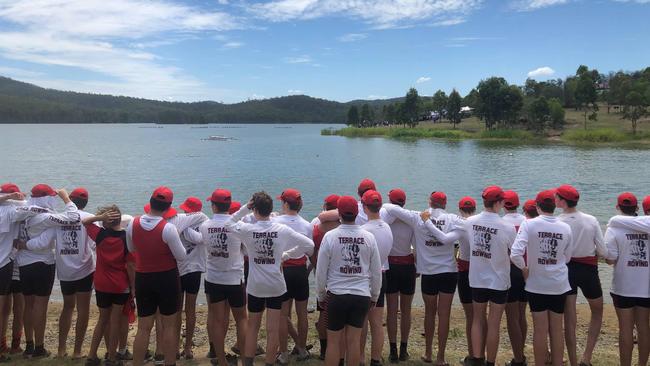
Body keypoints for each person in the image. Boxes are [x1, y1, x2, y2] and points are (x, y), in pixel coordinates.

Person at [225, 192, 314, 366]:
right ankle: (269, 363)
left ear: (255, 209)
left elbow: (228, 223)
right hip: (276, 285)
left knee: (253, 327)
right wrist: (286, 255)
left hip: (256, 285)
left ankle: (248, 363)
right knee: (273, 330)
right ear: (271, 209)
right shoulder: (281, 229)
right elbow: (308, 245)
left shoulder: (248, 229)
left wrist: (245, 208)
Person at [383, 191, 460, 365]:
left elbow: (389, 209)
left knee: (424, 313)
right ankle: (437, 356)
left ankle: (418, 352)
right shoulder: (450, 219)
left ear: (430, 202)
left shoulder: (416, 217)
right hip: (441, 270)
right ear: (445, 204)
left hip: (421, 272)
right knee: (440, 314)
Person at [22, 187, 95, 359]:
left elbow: (44, 241)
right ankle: (77, 351)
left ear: (70, 199)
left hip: (65, 272)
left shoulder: (58, 220)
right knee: (83, 309)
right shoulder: (91, 218)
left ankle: (61, 349)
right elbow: (94, 244)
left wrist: (23, 245)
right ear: (86, 202)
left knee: (67, 307)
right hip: (85, 269)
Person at [9, 185, 80, 359]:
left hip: (24, 264)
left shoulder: (24, 212)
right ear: (47, 199)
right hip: (42, 264)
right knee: (40, 305)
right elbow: (74, 217)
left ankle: (29, 346)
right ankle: (39, 347)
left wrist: (25, 245)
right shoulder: (46, 217)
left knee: (28, 305)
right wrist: (66, 198)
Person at [315, 195, 382, 366]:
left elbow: (321, 271)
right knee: (353, 342)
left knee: (334, 342)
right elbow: (376, 272)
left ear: (339, 214)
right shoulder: (368, 237)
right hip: (361, 295)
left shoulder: (330, 236)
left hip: (337, 295)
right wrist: (374, 295)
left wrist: (321, 295)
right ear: (356, 212)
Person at [510, 189, 573, 366]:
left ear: (537, 207)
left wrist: (524, 268)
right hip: (559, 284)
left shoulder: (529, 225)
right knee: (556, 329)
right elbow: (567, 257)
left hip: (536, 284)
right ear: (555, 206)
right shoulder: (565, 227)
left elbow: (515, 253)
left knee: (540, 329)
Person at [126, 186, 187, 366]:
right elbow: (181, 256)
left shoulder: (133, 224)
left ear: (150, 202)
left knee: (143, 327)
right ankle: (169, 362)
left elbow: (131, 249)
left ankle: (137, 362)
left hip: (143, 277)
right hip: (166, 278)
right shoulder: (168, 228)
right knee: (168, 325)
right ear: (168, 208)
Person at [187, 189, 246, 366]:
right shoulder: (238, 226)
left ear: (213, 205)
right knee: (242, 319)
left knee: (218, 321)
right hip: (235, 278)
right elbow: (246, 250)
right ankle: (245, 359)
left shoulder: (205, 226)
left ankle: (221, 361)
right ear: (229, 206)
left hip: (213, 278)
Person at [555, 184, 606, 366]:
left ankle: (574, 361)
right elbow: (602, 250)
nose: (554, 199)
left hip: (567, 270)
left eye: (557, 197)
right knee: (597, 312)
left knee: (569, 319)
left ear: (562, 201)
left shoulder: (558, 222)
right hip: (588, 270)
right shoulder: (591, 220)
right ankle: (587, 357)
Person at [466, 186, 517, 366]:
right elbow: (515, 252)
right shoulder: (507, 226)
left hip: (478, 278)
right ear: (498, 203)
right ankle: (490, 361)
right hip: (499, 279)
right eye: (502, 201)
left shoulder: (470, 221)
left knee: (477, 319)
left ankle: (477, 358)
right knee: (494, 323)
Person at [83, 206, 132, 366]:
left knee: (102, 320)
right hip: (120, 284)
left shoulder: (100, 235)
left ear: (106, 221)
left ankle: (91, 356)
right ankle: (111, 357)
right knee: (115, 320)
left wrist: (99, 218)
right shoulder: (126, 238)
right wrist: (134, 288)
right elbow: (131, 266)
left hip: (101, 283)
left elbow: (85, 222)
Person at [604, 193, 650, 366]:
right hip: (645, 287)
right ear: (637, 208)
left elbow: (611, 259)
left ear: (618, 207)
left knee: (625, 329)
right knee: (644, 327)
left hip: (623, 286)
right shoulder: (646, 226)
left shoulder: (614, 228)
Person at [273, 189, 313, 364]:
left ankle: (283, 353)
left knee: (282, 315)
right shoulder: (307, 224)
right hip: (300, 270)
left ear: (285, 204)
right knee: (302, 313)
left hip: (283, 271)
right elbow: (310, 249)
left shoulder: (275, 221)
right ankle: (302, 349)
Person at [359, 190, 393, 366]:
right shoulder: (387, 227)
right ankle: (376, 358)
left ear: (364, 207)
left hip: (366, 278)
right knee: (377, 322)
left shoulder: (364, 230)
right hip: (381, 275)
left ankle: (361, 358)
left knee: (362, 321)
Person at [384, 189, 415, 363]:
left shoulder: (386, 221)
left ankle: (393, 349)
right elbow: (416, 247)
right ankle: (404, 348)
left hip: (391, 265)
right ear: (404, 203)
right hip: (407, 265)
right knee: (406, 311)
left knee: (391, 310)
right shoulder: (410, 221)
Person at [176, 196, 207, 360]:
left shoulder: (179, 222)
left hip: (180, 269)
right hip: (195, 271)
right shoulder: (204, 224)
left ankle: (175, 346)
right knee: (190, 310)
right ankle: (187, 347)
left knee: (176, 310)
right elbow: (200, 240)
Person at [311, 194, 340, 361]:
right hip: (339, 274)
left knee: (323, 312)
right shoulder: (344, 225)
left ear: (325, 206)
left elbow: (310, 248)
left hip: (322, 272)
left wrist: (314, 266)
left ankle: (324, 350)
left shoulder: (315, 222)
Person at [501, 190, 527, 366]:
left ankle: (518, 358)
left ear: (503, 204)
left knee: (512, 317)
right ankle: (521, 351)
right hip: (525, 271)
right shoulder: (527, 221)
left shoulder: (501, 223)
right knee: (521, 314)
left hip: (510, 270)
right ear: (518, 204)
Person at [0, 184, 25, 362]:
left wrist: (9, 198)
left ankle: (4, 346)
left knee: (6, 309)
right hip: (8, 263)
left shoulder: (11, 208)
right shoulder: (13, 211)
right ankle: (12, 346)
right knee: (16, 308)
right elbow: (36, 206)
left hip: (9, 262)